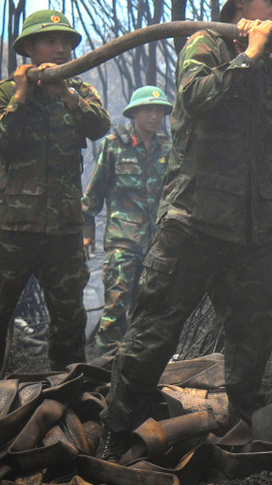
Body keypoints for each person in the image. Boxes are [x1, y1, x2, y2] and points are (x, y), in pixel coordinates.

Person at [98, 0, 272, 459]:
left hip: (250, 229)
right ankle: (119, 430)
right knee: (156, 326)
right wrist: (248, 53)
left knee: (254, 331)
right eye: (268, 2)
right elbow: (197, 96)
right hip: (194, 222)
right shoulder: (205, 44)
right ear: (240, 6)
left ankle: (244, 423)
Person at [0, 9, 112, 401]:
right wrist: (21, 96)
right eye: (51, 41)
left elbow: (100, 126)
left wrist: (64, 94)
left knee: (69, 321)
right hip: (12, 229)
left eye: (66, 41)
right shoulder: (4, 93)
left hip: (64, 231)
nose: (62, 48)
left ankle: (67, 398)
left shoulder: (79, 91)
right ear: (29, 48)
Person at [81, 85, 174, 360]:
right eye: (148, 109)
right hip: (122, 243)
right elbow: (94, 192)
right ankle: (104, 377)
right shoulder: (113, 145)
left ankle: (140, 375)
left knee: (149, 315)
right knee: (114, 312)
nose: (154, 116)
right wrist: (87, 232)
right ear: (134, 113)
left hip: (157, 246)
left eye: (159, 111)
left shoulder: (168, 149)